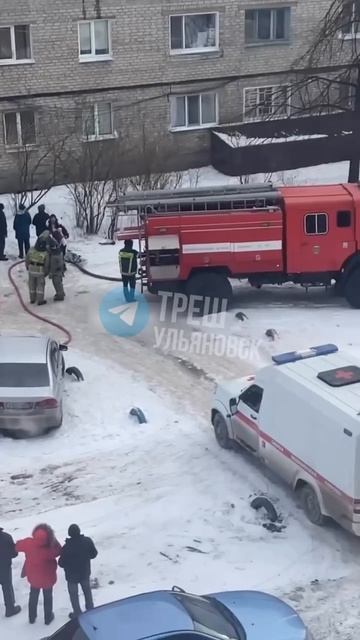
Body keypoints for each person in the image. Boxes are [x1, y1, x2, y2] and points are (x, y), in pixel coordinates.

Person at [16, 524, 61, 626]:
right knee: (48, 597)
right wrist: (53, 540)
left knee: (33, 596)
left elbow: (17, 546)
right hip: (48, 578)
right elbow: (59, 550)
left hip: (34, 577)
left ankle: (32, 617)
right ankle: (48, 618)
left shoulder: (28, 543)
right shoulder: (51, 548)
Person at [58, 524, 97, 618]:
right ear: (79, 531)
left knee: (74, 595)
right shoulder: (87, 541)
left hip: (72, 576)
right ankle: (90, 609)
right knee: (87, 591)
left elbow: (61, 563)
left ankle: (77, 613)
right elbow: (94, 554)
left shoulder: (66, 547)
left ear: (69, 534)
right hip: (84, 572)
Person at [0, 527, 21, 618]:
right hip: (4, 566)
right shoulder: (6, 537)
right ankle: (10, 609)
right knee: (7, 587)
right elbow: (14, 553)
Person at [25, 232, 50, 305]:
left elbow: (27, 259)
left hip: (31, 269)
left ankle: (32, 299)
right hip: (40, 271)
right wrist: (46, 272)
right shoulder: (45, 253)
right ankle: (40, 300)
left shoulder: (31, 249)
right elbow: (47, 264)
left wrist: (27, 266)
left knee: (31, 285)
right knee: (40, 286)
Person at [48, 236, 65, 301]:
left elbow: (53, 265)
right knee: (59, 282)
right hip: (60, 269)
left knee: (56, 283)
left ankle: (60, 295)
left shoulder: (54, 256)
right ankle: (61, 292)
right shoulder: (59, 252)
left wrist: (51, 273)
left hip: (56, 271)